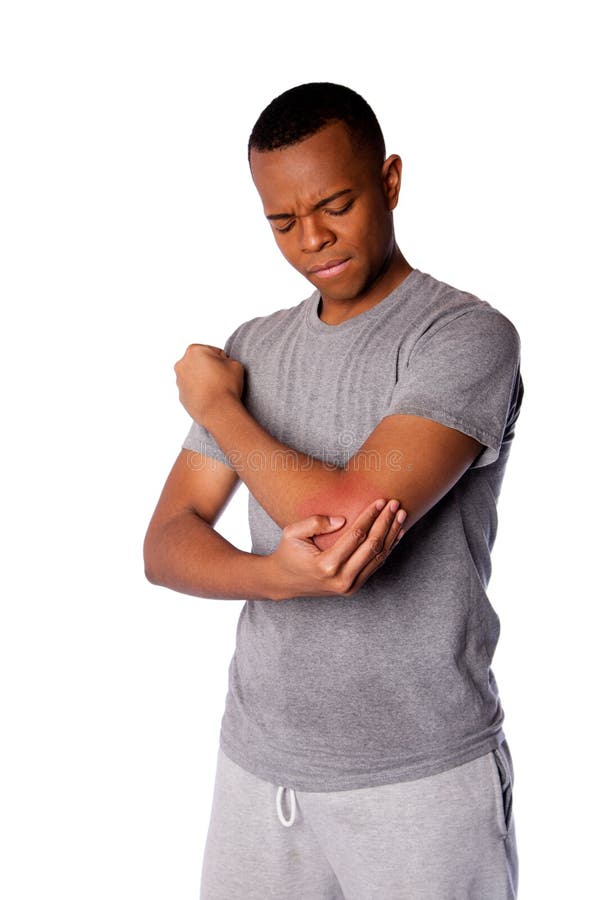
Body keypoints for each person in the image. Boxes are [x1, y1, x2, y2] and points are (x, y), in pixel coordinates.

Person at [144, 82, 524, 899]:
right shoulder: (256, 344)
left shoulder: (463, 336)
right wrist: (272, 577)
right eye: (282, 222)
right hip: (257, 769)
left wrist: (218, 406)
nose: (312, 238)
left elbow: (343, 521)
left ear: (389, 181)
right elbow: (168, 540)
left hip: (419, 780)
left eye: (336, 204)